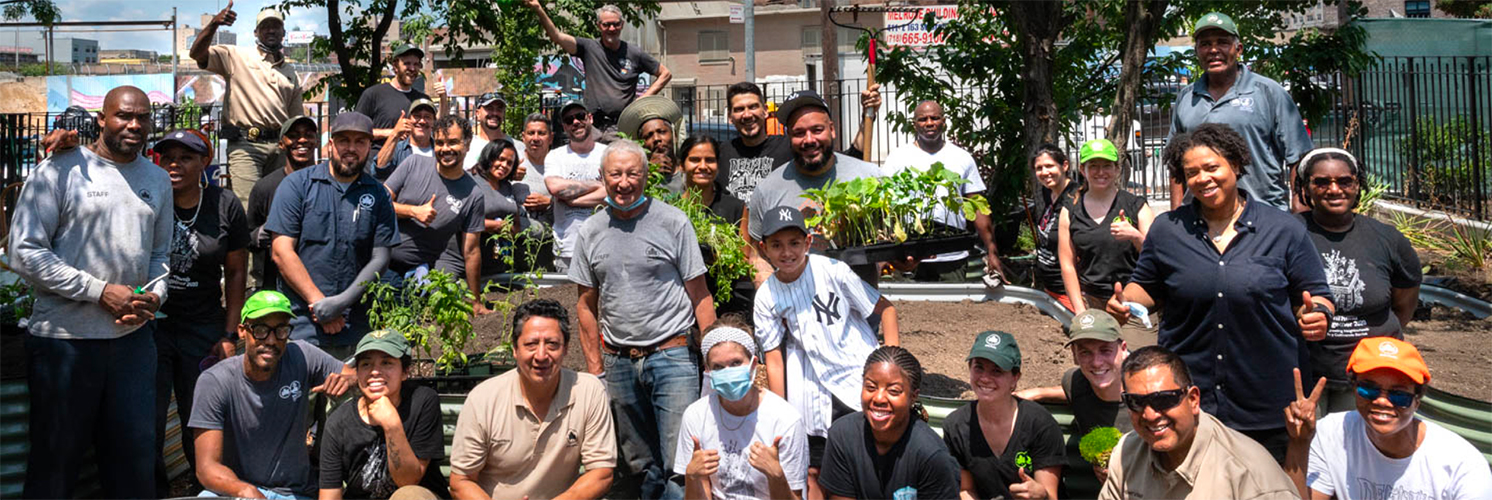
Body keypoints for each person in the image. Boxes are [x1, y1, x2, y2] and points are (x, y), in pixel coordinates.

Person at [1106, 122, 1335, 462]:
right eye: (1192, 172)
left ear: (1236, 165)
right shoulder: (1168, 230)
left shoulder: (1283, 229)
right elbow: (1146, 286)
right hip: (1189, 402)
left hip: (1266, 399)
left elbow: (1316, 293)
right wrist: (1126, 301)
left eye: (1212, 167)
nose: (1203, 178)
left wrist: (1318, 313)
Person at [8, 86, 171, 498]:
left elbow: (159, 253)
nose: (134, 125)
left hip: (132, 344)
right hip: (65, 344)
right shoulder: (60, 170)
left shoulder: (156, 178)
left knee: (133, 467)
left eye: (143, 117)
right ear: (102, 119)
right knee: (55, 467)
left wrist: (155, 295)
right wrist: (99, 291)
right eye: (123, 116)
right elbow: (23, 252)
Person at [570, 140, 717, 500]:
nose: (623, 182)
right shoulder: (590, 232)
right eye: (615, 174)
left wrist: (713, 360)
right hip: (619, 363)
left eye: (632, 173)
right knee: (639, 465)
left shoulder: (672, 222)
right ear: (602, 177)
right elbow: (586, 305)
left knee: (680, 464)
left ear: (646, 176)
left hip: (672, 357)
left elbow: (700, 295)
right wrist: (596, 370)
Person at [752, 206, 899, 499]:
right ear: (763, 248)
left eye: (794, 243)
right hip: (809, 385)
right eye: (776, 245)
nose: (786, 252)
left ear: (808, 242)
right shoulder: (767, 295)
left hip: (857, 377)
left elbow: (886, 309)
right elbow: (774, 358)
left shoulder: (833, 271)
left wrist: (895, 367)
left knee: (868, 461)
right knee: (813, 470)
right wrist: (781, 412)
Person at [151, 129, 251, 494]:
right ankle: (155, 491)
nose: (175, 164)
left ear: (204, 162)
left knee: (203, 415)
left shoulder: (224, 204)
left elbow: (237, 270)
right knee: (150, 416)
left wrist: (228, 333)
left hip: (202, 326)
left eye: (186, 157)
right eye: (169, 157)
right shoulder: (150, 197)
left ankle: (204, 488)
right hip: (154, 326)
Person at [191, 290, 356, 499]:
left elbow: (356, 376)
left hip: (294, 492)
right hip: (236, 489)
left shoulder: (302, 356)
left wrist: (349, 381)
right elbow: (206, 468)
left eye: (281, 330)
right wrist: (246, 490)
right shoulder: (215, 381)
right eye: (260, 330)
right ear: (242, 331)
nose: (271, 340)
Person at [1292, 148, 1421, 413]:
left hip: (1370, 376)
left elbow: (1403, 306)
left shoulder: (1387, 239)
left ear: (1357, 184)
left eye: (1344, 181)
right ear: (1305, 187)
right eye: (1321, 182)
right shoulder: (1286, 233)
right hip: (1303, 371)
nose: (1334, 189)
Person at [1282, 337, 1492, 500]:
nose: (1382, 401)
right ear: (1354, 389)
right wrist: (1299, 444)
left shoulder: (1460, 463)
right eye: (1369, 389)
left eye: (1399, 394)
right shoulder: (1331, 434)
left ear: (1417, 400)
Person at [449, 299, 615, 500]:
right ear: (514, 349)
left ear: (566, 348)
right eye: (531, 344)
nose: (542, 355)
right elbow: (461, 481)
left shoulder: (588, 391)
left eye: (552, 344)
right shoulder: (484, 398)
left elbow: (602, 473)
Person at [265, 111, 399, 360]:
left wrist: (341, 303)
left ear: (370, 146)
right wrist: (318, 302)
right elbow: (281, 251)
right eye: (343, 140)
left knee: (350, 398)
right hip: (300, 325)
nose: (351, 148)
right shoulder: (297, 185)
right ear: (330, 144)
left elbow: (380, 258)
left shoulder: (378, 195)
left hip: (356, 327)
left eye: (360, 142)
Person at [1099, 346, 1298, 500]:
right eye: (1136, 402)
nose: (1150, 415)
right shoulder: (1127, 453)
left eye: (1163, 399)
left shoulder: (1250, 475)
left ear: (1193, 399)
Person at [1167, 12, 1313, 212]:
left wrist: (1300, 210)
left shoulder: (1268, 92)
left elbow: (1299, 156)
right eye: (1205, 44)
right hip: (1201, 221)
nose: (1214, 50)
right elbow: (1176, 161)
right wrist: (1177, 213)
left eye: (1223, 42)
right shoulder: (1186, 98)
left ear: (1238, 49)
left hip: (1263, 215)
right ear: (1197, 51)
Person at [746, 90, 882, 286]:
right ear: (788, 136)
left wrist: (903, 260)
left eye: (817, 130)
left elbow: (889, 242)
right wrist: (775, 301)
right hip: (795, 311)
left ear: (832, 129)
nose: (809, 140)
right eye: (799, 133)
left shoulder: (868, 176)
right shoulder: (768, 189)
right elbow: (758, 257)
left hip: (858, 310)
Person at [674, 324, 810, 500]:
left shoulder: (786, 419)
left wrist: (776, 476)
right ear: (708, 370)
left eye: (736, 363)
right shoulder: (696, 415)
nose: (728, 372)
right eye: (718, 367)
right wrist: (692, 476)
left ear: (753, 364)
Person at [190, 3, 304, 204]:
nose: (271, 30)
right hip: (246, 146)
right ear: (256, 32)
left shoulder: (290, 72)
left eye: (275, 26)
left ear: (283, 32)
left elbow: (296, 119)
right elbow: (197, 54)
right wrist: (214, 24)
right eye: (265, 26)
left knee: (279, 205)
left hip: (279, 147)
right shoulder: (235, 56)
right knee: (248, 207)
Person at [881, 100, 1005, 282]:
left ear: (944, 122)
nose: (929, 123)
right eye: (923, 119)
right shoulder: (898, 157)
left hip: (952, 257)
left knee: (954, 308)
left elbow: (978, 207)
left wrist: (992, 251)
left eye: (935, 118)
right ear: (914, 124)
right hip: (908, 257)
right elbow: (884, 206)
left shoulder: (962, 157)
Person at [1014, 310, 1132, 498]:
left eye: (1105, 350)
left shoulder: (1146, 399)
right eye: (1085, 352)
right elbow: (1079, 391)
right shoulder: (1074, 382)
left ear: (1123, 349)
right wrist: (1038, 393)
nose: (1096, 362)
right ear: (1075, 355)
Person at [818, 346, 961, 500]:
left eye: (893, 391)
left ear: (913, 397)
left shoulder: (932, 456)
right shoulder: (842, 436)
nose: (879, 398)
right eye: (871, 387)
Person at [318, 330, 447, 500]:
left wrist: (391, 424)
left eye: (386, 363)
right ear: (357, 373)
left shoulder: (422, 401)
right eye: (366, 364)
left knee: (409, 495)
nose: (375, 372)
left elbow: (408, 481)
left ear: (405, 372)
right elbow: (330, 495)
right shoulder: (338, 422)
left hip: (416, 495)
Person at [942, 331, 1064, 500]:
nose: (985, 378)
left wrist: (1040, 495)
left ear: (1015, 378)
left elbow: (1051, 496)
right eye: (979, 367)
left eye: (996, 371)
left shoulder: (1040, 424)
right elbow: (966, 489)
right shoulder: (955, 426)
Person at [383, 115, 487, 311]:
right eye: (440, 143)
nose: (445, 149)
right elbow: (377, 204)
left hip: (416, 276)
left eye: (453, 142)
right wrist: (412, 211)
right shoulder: (413, 164)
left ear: (467, 144)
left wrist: (476, 301)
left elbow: (471, 251)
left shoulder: (473, 195)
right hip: (379, 263)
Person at [525, 0, 672, 130]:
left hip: (622, 126)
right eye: (606, 24)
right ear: (599, 26)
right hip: (593, 126)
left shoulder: (634, 53)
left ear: (622, 25)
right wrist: (539, 9)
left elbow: (665, 74)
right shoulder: (589, 47)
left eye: (615, 24)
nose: (612, 29)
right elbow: (556, 36)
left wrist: (643, 99)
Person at [1058, 138, 1155, 313]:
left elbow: (1158, 257)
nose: (1100, 172)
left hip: (1134, 299)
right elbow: (1067, 265)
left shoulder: (1137, 206)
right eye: (1093, 165)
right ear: (1082, 169)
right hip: (1092, 302)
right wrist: (1080, 310)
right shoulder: (1070, 210)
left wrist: (1136, 237)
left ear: (1117, 169)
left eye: (1107, 165)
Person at [437, 138, 540, 278]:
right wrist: (494, 225)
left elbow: (516, 226)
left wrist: (508, 229)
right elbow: (455, 216)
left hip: (494, 267)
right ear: (489, 157)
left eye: (510, 163)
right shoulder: (469, 180)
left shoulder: (506, 187)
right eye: (500, 159)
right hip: (460, 260)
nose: (504, 165)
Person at [678, 134, 753, 318]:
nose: (703, 166)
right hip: (683, 306)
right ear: (682, 165)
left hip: (727, 306)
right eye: (695, 160)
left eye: (710, 160)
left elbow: (744, 260)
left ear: (718, 166)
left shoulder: (735, 206)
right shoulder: (673, 208)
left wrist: (716, 257)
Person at [248, 115, 319, 292]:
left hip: (320, 277)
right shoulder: (265, 187)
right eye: (294, 135)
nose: (302, 140)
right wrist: (263, 233)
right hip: (277, 283)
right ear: (281, 143)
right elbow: (247, 237)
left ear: (316, 141)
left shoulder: (327, 182)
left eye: (308, 135)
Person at [545, 100, 609, 272]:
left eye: (580, 116)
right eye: (569, 120)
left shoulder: (607, 154)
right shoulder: (555, 156)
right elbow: (555, 189)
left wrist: (574, 201)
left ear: (590, 118)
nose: (575, 122)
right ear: (564, 127)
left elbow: (611, 194)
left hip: (605, 246)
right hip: (568, 249)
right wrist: (596, 185)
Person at [357, 40, 439, 159]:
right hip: (379, 168)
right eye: (407, 63)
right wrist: (392, 132)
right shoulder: (373, 94)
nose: (412, 68)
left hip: (412, 166)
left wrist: (443, 98)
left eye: (416, 64)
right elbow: (357, 131)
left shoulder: (422, 99)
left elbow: (437, 128)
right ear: (395, 66)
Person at [716, 82, 795, 201]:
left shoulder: (789, 148)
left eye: (753, 107)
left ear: (765, 110)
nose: (747, 115)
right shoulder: (721, 154)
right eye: (739, 109)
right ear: (730, 117)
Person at [1028, 144, 1082, 311]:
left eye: (1050, 166)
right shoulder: (1048, 192)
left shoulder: (1075, 199)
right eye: (1039, 168)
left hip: (1069, 292)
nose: (1044, 172)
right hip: (1049, 287)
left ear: (1064, 166)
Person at [618, 94, 687, 193]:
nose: (656, 139)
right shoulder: (634, 178)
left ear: (675, 136)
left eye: (662, 132)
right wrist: (649, 173)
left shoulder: (687, 172)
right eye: (648, 136)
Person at [371, 98, 437, 180]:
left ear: (434, 122)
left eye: (427, 117)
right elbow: (378, 170)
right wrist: (395, 134)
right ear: (408, 120)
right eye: (417, 116)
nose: (422, 121)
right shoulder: (397, 149)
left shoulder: (440, 150)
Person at [463, 91, 524, 171]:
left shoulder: (517, 147)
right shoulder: (466, 143)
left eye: (499, 109)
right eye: (489, 108)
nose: (495, 113)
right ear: (478, 113)